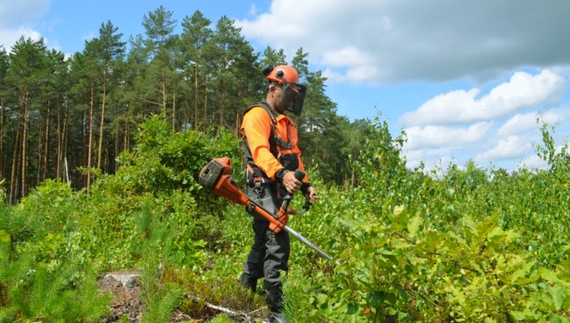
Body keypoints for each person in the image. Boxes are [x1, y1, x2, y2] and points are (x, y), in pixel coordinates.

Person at [238, 64, 319, 322]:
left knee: (263, 241)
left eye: (295, 96)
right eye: (290, 94)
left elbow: (295, 157)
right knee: (277, 241)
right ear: (275, 87)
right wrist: (281, 174)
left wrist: (305, 185)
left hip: (278, 187)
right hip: (262, 187)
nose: (292, 99)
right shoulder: (257, 115)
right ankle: (276, 309)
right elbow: (261, 151)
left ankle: (243, 291)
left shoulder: (287, 123)